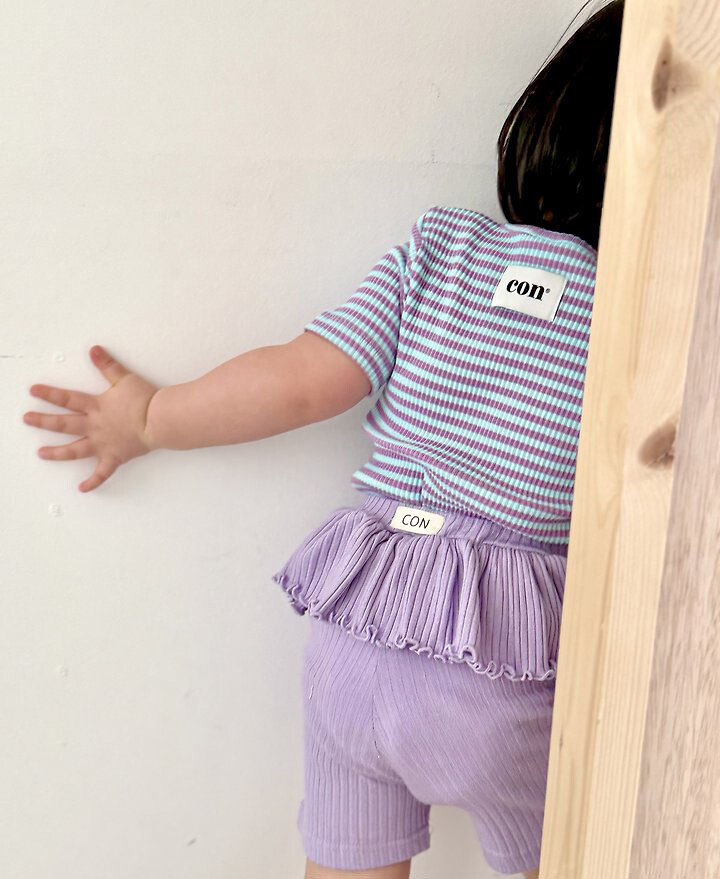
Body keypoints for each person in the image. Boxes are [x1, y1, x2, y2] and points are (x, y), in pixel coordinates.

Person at [21, 1, 624, 876]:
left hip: (354, 636)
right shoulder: (636, 319)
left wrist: (152, 417)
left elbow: (300, 380)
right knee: (575, 853)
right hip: (498, 668)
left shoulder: (442, 251)